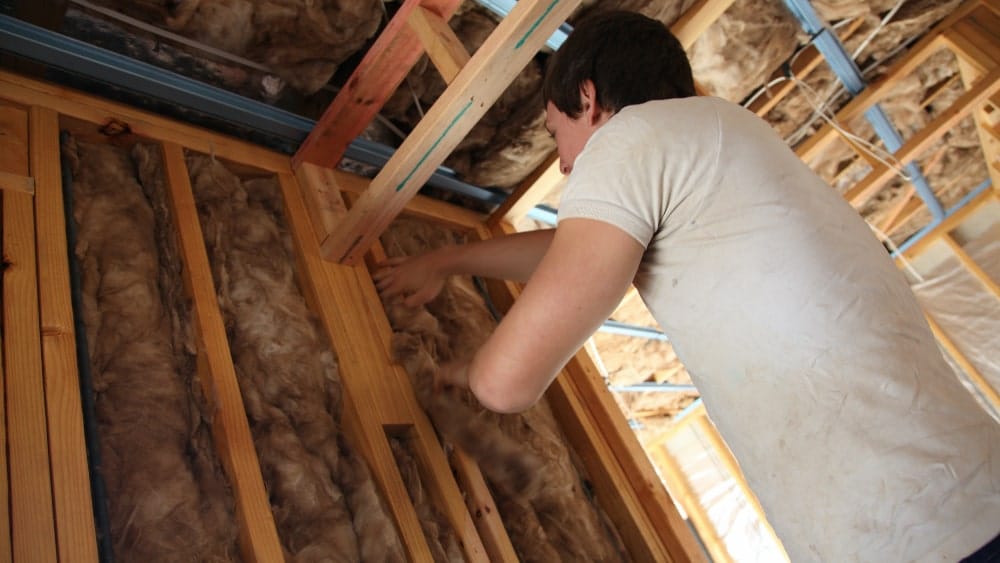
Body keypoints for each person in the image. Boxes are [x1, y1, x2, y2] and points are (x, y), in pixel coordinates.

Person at [374, 10, 1000, 562]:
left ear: (588, 99)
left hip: (926, 533)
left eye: (554, 132)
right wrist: (451, 261)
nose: (563, 162)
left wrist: (465, 374)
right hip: (952, 512)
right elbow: (575, 251)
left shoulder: (629, 140)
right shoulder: (714, 143)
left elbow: (503, 384)